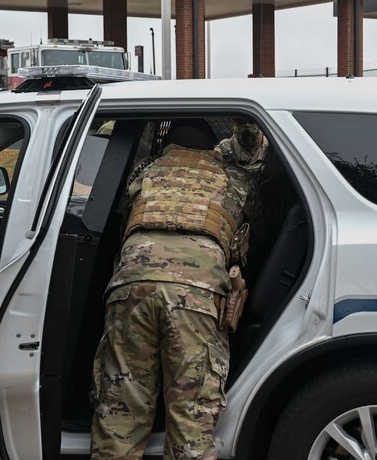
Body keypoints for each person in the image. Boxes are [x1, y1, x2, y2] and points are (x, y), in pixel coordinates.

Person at [91, 118, 256, 459]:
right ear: (210, 147)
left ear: (168, 144)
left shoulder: (144, 173)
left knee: (121, 412)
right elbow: (256, 234)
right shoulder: (234, 179)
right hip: (196, 294)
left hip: (131, 285)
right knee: (190, 418)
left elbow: (118, 225)